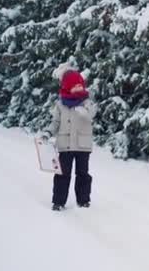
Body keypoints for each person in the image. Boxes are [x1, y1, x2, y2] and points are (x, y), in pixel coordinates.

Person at [40, 68, 96, 211]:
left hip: (83, 146)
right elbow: (56, 122)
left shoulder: (87, 102)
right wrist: (48, 132)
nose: (78, 88)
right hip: (65, 145)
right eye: (74, 86)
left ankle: (83, 201)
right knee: (63, 174)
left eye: (80, 85)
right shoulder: (60, 104)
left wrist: (83, 111)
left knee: (83, 174)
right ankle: (58, 202)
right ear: (67, 86)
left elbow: (92, 115)